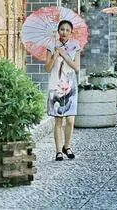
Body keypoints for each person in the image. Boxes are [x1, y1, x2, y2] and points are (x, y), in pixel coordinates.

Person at [44, 20, 81, 161]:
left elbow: (76, 67)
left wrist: (64, 54)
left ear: (71, 32)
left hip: (70, 85)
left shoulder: (75, 47)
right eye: (62, 29)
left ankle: (67, 146)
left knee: (70, 120)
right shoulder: (51, 46)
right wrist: (55, 55)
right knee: (58, 120)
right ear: (58, 31)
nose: (64, 32)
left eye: (67, 30)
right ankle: (59, 151)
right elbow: (47, 68)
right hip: (56, 85)